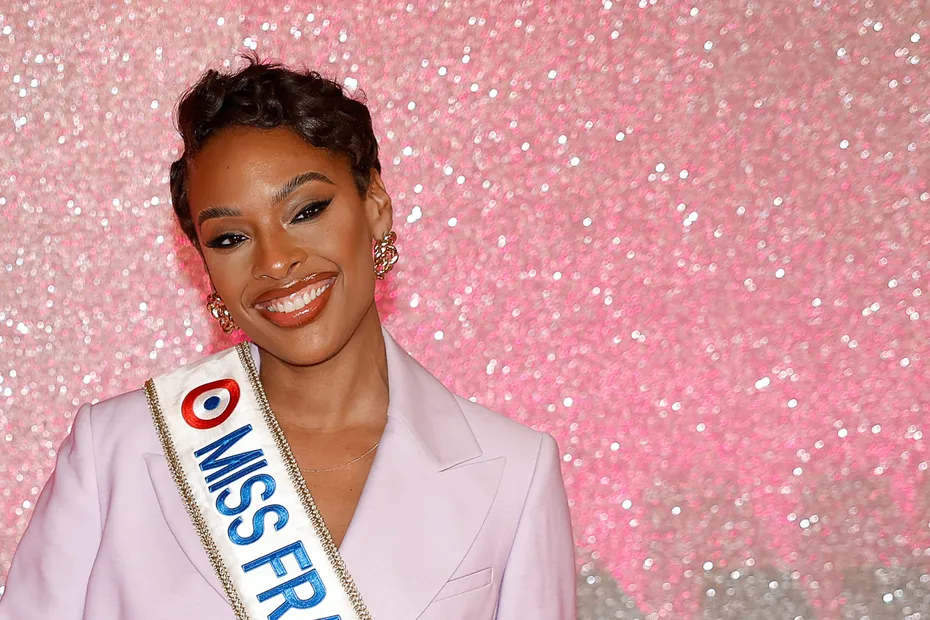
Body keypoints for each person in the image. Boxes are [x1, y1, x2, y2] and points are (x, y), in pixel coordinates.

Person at [0, 55, 576, 620]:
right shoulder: (116, 453)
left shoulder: (514, 474)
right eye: (229, 238)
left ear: (375, 206)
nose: (276, 262)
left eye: (307, 210)